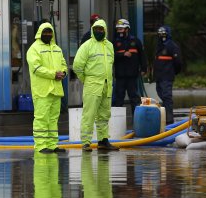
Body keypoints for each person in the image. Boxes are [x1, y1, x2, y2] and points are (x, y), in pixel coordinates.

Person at [73, 19, 119, 152]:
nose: (99, 31)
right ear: (92, 30)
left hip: (107, 86)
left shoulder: (109, 45)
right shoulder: (87, 45)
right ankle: (86, 142)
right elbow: (77, 66)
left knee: (104, 115)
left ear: (105, 30)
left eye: (101, 29)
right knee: (89, 114)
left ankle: (103, 141)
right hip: (92, 86)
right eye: (96, 29)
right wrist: (86, 80)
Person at [26, 22, 67, 153]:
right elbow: (36, 68)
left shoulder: (57, 49)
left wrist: (63, 73)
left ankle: (52, 144)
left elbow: (63, 64)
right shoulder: (34, 49)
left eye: (50, 32)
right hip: (42, 90)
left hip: (56, 89)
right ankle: (40, 145)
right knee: (41, 118)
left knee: (53, 118)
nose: (48, 34)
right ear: (40, 33)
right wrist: (54, 74)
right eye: (45, 32)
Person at [112, 18, 147, 117]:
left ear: (127, 29)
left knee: (134, 98)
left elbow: (142, 56)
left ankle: (137, 120)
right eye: (118, 29)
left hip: (132, 75)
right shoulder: (114, 43)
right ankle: (117, 120)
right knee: (118, 99)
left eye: (121, 29)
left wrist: (144, 69)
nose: (119, 31)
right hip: (120, 76)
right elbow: (111, 56)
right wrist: (123, 54)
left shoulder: (135, 41)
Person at [153, 25, 182, 125]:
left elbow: (178, 63)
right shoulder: (159, 46)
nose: (161, 36)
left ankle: (169, 119)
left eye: (163, 34)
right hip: (159, 76)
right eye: (160, 34)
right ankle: (164, 117)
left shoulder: (172, 46)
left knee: (167, 97)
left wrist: (173, 72)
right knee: (161, 94)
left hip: (167, 76)